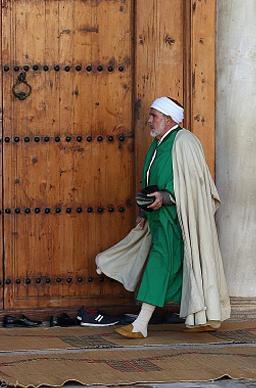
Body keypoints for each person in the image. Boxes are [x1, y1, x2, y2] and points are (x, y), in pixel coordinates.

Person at [96, 97, 231, 339]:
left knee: (161, 264)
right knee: (182, 269)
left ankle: (141, 323)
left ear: (168, 119)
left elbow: (192, 184)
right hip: (158, 216)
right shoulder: (159, 142)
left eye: (154, 116)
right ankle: (206, 317)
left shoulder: (184, 141)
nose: (149, 120)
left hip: (177, 219)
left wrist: (166, 197)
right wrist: (143, 212)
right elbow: (151, 178)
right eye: (150, 115)